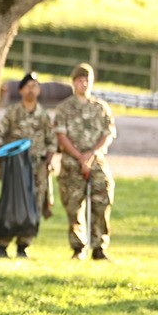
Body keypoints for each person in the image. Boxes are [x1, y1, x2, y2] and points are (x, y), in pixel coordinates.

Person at [0, 72, 57, 258]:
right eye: (28, 86)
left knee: (32, 206)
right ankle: (2, 245)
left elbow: (52, 142)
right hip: (15, 168)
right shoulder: (13, 112)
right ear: (20, 90)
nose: (31, 89)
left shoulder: (43, 115)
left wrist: (48, 162)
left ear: (39, 90)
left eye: (35, 86)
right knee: (10, 203)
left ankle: (23, 245)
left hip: (36, 168)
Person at [55, 63, 117, 260]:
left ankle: (99, 247)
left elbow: (108, 134)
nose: (84, 84)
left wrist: (91, 155)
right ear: (73, 82)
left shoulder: (100, 108)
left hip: (96, 161)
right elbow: (61, 136)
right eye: (80, 80)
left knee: (102, 200)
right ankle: (78, 247)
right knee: (73, 205)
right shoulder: (65, 108)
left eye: (87, 80)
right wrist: (79, 157)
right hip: (72, 163)